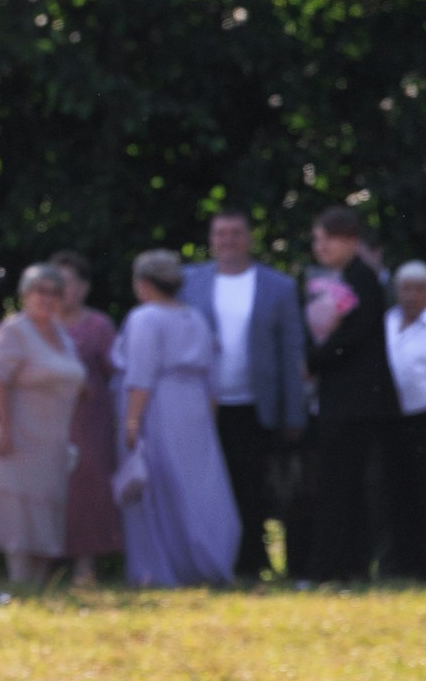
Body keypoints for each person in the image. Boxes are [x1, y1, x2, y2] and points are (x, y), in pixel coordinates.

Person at [180, 211, 306, 583]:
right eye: (220, 233)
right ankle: (211, 561)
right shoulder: (190, 282)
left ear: (250, 238)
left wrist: (293, 411)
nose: (228, 240)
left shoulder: (278, 286)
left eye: (236, 233)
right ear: (211, 239)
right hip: (204, 406)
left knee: (252, 487)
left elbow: (291, 351)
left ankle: (252, 563)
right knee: (208, 488)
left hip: (256, 405)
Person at [114, 250, 240, 587]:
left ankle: (161, 566)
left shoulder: (145, 319)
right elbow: (213, 378)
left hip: (161, 405)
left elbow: (140, 377)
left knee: (159, 484)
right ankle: (209, 557)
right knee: (199, 485)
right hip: (195, 406)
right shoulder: (196, 318)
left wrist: (130, 423)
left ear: (142, 284)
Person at [304, 207, 397, 583]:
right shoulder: (339, 279)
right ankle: (345, 565)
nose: (320, 246)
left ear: (350, 240)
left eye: (328, 238)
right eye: (317, 239)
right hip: (341, 400)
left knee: (343, 484)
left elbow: (353, 338)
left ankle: (337, 567)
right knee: (340, 484)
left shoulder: (362, 279)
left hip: (356, 404)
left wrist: (314, 360)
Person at [0, 264, 88, 585]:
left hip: (53, 438)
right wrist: (4, 426)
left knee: (47, 510)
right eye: (39, 291)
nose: (47, 298)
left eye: (54, 292)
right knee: (19, 512)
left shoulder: (61, 334)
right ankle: (19, 582)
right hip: (19, 435)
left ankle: (39, 586)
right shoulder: (13, 331)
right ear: (25, 294)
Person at [53, 251, 122, 585]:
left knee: (87, 488)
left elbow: (116, 372)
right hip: (45, 419)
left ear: (84, 287)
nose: (65, 291)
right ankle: (46, 563)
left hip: (88, 419)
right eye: (58, 283)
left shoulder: (99, 326)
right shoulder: (38, 323)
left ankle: (85, 565)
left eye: (71, 283)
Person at [384, 263, 426, 574]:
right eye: (405, 288)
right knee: (395, 491)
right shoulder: (386, 321)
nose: (411, 295)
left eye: (419, 288)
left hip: (422, 418)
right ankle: (400, 562)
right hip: (390, 418)